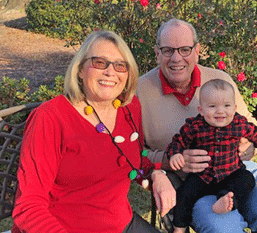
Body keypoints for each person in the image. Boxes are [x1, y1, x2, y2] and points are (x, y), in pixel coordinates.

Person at [12, 31, 176, 233]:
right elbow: (28, 207)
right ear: (80, 69)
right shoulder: (50, 119)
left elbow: (133, 158)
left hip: (121, 224)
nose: (110, 72)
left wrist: (156, 174)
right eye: (99, 62)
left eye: (120, 65)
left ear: (128, 74)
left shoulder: (129, 107)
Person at [137, 18, 257, 232]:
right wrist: (168, 160)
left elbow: (251, 126)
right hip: (194, 184)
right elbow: (132, 153)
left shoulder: (220, 79)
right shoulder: (140, 91)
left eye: (184, 49)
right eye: (167, 50)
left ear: (197, 50)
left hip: (238, 172)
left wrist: (250, 146)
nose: (176, 58)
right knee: (223, 228)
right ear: (156, 52)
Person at [167, 79, 257, 233]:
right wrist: (175, 154)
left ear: (234, 108)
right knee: (184, 193)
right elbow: (178, 141)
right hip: (203, 176)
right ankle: (179, 227)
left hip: (231, 173)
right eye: (212, 106)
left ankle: (226, 201)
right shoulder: (195, 126)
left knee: (247, 179)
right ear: (201, 109)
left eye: (226, 106)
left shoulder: (239, 124)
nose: (220, 111)